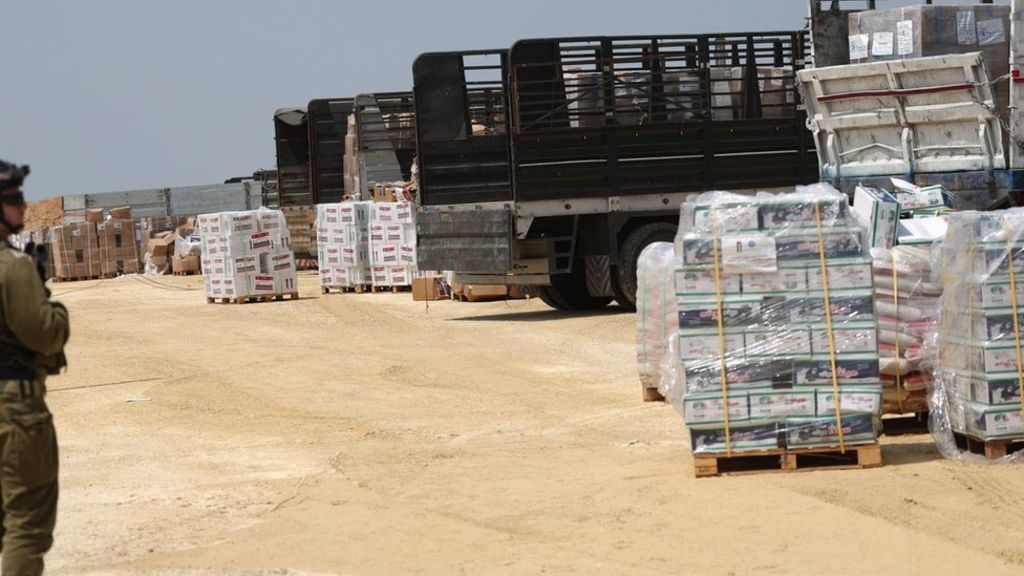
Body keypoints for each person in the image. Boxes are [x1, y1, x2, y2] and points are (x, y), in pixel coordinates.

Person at [0, 160, 69, 575]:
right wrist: (52, 305)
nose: (24, 208)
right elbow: (45, 333)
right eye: (13, 200)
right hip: (15, 411)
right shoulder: (13, 267)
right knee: (25, 525)